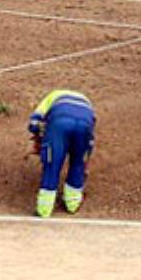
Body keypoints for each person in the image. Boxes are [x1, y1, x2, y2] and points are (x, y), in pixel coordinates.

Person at [28, 89, 95, 218]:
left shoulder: (52, 96)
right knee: (77, 164)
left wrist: (40, 136)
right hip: (85, 125)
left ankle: (44, 210)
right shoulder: (87, 102)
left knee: (52, 166)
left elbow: (34, 123)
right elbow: (91, 134)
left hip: (60, 124)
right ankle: (72, 204)